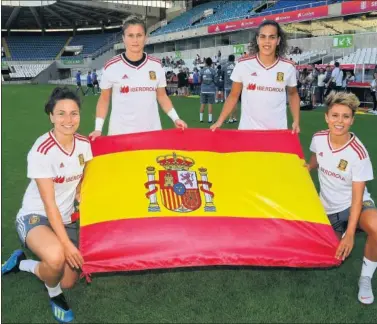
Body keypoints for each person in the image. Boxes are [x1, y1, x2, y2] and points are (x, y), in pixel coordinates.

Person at [1, 87, 93, 322]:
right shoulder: (42, 151)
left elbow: (88, 172)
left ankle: (22, 263)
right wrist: (67, 245)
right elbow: (49, 204)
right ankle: (55, 296)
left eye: (74, 113)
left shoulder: (84, 144)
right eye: (61, 113)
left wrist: (81, 189)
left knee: (68, 281)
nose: (68, 120)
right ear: (51, 116)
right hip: (36, 216)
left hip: (66, 218)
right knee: (56, 257)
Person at [307, 91, 377, 305]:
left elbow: (356, 200)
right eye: (335, 115)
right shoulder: (318, 138)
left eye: (345, 116)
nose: (340, 121)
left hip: (356, 206)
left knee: (376, 227)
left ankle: (365, 277)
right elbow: (315, 160)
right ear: (327, 117)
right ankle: (337, 232)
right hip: (328, 210)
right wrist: (306, 169)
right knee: (326, 258)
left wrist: (349, 234)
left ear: (352, 120)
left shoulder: (358, 154)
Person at [89, 16, 187, 139]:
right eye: (130, 36)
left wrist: (175, 118)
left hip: (151, 134)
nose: (135, 40)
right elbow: (104, 99)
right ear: (123, 39)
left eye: (139, 35)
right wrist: (98, 128)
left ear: (146, 38)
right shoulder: (111, 66)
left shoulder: (156, 65)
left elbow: (162, 96)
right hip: (120, 135)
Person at [210, 20, 300, 133]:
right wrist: (220, 121)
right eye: (263, 37)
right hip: (248, 132)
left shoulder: (288, 67)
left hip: (277, 133)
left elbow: (293, 94)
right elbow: (233, 95)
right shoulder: (243, 64)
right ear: (257, 40)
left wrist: (296, 120)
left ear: (278, 40)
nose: (267, 41)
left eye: (272, 37)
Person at [199, 57, 216, 123]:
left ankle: (201, 119)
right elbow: (215, 80)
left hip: (203, 89)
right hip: (211, 90)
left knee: (202, 104)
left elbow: (199, 80)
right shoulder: (213, 70)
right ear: (211, 63)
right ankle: (210, 120)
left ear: (205, 63)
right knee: (210, 104)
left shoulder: (202, 70)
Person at [223, 54, 238, 123]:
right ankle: (235, 117)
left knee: (229, 103)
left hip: (227, 86)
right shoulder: (236, 65)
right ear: (234, 59)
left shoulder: (225, 66)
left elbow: (222, 74)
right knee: (235, 102)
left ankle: (230, 118)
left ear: (228, 59)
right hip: (235, 86)